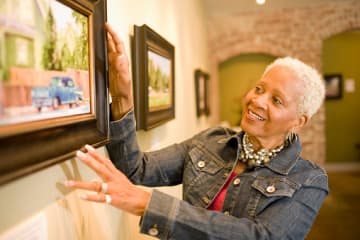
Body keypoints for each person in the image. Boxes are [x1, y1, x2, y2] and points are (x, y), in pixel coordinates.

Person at [65, 23, 328, 239]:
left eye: (277, 100)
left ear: (298, 121)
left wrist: (148, 203)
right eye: (259, 89)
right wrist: (122, 93)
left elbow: (263, 236)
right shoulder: (211, 141)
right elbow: (136, 168)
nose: (257, 100)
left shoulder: (308, 179)